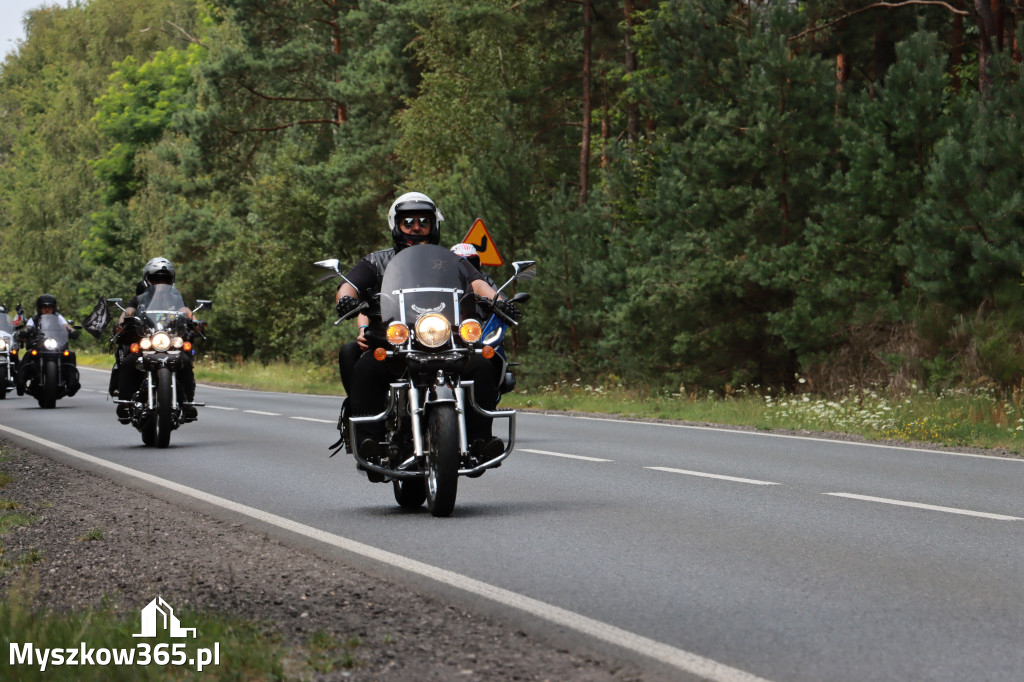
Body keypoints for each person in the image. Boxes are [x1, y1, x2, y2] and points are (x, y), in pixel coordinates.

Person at [334, 192, 521, 463]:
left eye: (424, 221)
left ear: (434, 225)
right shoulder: (376, 261)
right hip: (396, 343)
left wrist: (500, 302)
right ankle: (369, 439)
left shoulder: (449, 260)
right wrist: (346, 299)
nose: (416, 227)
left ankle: (480, 439)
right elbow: (347, 285)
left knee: (483, 363)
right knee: (364, 364)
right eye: (407, 221)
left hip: (445, 341)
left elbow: (478, 284)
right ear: (395, 225)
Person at [112, 257, 198, 422]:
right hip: (146, 341)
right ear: (147, 280)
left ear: (171, 280)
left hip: (170, 342)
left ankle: (188, 403)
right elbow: (128, 311)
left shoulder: (175, 298)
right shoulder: (139, 298)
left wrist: (195, 321)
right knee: (130, 360)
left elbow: (186, 311)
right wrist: (122, 321)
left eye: (164, 279)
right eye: (155, 279)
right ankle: (124, 402)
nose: (160, 283)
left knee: (185, 361)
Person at [15, 294, 81, 397]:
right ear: (39, 308)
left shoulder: (58, 317)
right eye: (44, 307)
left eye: (49, 307)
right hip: (40, 345)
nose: (47, 309)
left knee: (70, 354)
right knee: (28, 355)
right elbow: (28, 327)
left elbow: (66, 326)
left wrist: (72, 331)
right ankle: (20, 382)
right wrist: (24, 332)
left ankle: (72, 383)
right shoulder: (34, 319)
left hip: (56, 344)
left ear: (53, 308)